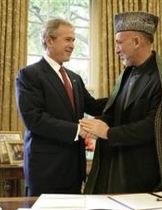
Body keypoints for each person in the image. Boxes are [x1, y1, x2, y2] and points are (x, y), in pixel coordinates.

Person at [80, 11, 162, 194]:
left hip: (145, 175)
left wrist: (108, 132)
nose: (116, 50)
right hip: (117, 166)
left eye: (119, 43)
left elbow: (155, 126)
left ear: (136, 41)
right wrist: (94, 125)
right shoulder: (127, 73)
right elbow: (117, 111)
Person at [16, 18, 107, 196]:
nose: (72, 45)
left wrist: (123, 94)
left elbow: (94, 106)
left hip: (74, 170)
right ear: (49, 40)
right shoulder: (29, 75)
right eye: (67, 39)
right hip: (46, 170)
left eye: (73, 40)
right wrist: (78, 130)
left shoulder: (74, 78)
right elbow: (34, 119)